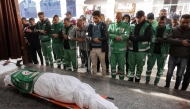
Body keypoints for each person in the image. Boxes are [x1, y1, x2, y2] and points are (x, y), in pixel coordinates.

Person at [165, 14, 190, 90]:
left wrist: (177, 40)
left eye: (187, 22)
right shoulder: (174, 29)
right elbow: (168, 39)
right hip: (173, 54)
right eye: (183, 22)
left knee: (179, 74)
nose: (185, 24)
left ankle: (176, 88)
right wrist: (182, 42)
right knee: (169, 72)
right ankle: (166, 86)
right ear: (180, 21)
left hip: (184, 56)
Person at [128, 10, 152, 83]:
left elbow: (148, 37)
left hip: (141, 50)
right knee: (131, 65)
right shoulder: (132, 24)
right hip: (132, 49)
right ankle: (130, 78)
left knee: (140, 66)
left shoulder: (147, 25)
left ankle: (137, 79)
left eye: (139, 18)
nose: (138, 20)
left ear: (143, 17)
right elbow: (128, 35)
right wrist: (132, 37)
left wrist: (136, 38)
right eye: (137, 18)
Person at [145, 15, 170, 86]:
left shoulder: (168, 29)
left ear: (165, 21)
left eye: (163, 22)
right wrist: (159, 39)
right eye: (160, 22)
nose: (161, 24)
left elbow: (168, 41)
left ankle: (156, 81)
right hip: (152, 51)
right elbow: (151, 39)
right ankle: (147, 80)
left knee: (160, 69)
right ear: (157, 21)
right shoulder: (153, 28)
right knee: (149, 67)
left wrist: (164, 41)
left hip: (162, 53)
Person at [108, 12, 129, 80]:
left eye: (118, 18)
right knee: (113, 65)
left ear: (121, 18)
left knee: (121, 66)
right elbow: (108, 34)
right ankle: (113, 78)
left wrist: (120, 38)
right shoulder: (111, 25)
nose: (117, 19)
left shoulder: (125, 25)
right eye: (116, 18)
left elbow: (127, 35)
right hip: (113, 49)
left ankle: (121, 79)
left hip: (121, 50)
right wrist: (115, 37)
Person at [87, 10, 108, 76]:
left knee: (103, 64)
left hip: (101, 48)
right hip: (93, 47)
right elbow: (88, 36)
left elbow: (106, 36)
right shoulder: (90, 25)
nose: (94, 19)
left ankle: (104, 76)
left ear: (100, 17)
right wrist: (93, 40)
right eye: (93, 18)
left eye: (96, 18)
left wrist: (99, 39)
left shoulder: (104, 25)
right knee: (93, 64)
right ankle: (94, 75)